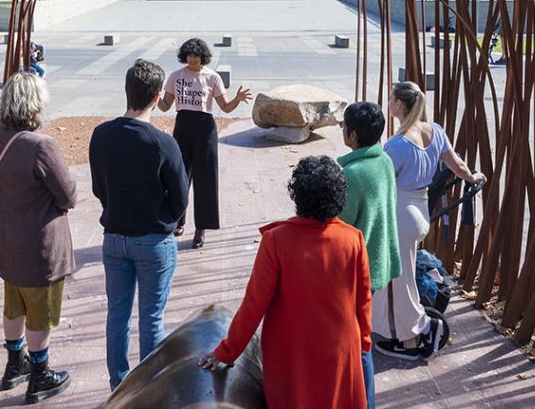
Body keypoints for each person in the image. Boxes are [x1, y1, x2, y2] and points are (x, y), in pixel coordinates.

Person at [198, 156, 372, 409]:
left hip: (291, 353)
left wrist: (226, 351)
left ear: (297, 196)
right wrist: (363, 343)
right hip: (340, 349)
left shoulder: (277, 240)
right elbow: (363, 300)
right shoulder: (353, 238)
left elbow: (254, 305)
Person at [90, 59, 189, 390]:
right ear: (159, 96)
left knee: (117, 314)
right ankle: (149, 388)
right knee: (151, 317)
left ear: (127, 91)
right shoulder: (162, 142)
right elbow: (180, 199)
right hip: (153, 239)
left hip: (114, 236)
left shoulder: (101, 134)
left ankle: (119, 384)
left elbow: (98, 187)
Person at [373, 81, 484, 360]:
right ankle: (387, 327)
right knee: (393, 275)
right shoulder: (435, 131)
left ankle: (411, 339)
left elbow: (380, 182)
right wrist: (472, 177)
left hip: (401, 213)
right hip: (419, 212)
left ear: (399, 105)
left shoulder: (397, 144)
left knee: (401, 279)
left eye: (391, 99)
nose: (389, 103)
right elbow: (456, 164)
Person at [0, 72, 75, 403]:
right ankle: (40, 375)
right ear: (36, 104)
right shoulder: (42, 145)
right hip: (40, 244)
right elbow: (67, 194)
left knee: (14, 304)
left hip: (8, 237)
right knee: (42, 310)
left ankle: (14, 365)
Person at [158, 38, 251, 249]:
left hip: (205, 128)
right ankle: (177, 220)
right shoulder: (176, 76)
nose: (192, 59)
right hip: (182, 126)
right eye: (189, 55)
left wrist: (237, 99)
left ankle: (202, 228)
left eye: (196, 55)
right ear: (184, 56)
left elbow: (225, 107)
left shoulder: (212, 77)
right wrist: (153, 97)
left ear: (203, 57)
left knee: (206, 179)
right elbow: (165, 106)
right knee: (178, 176)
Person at [337, 102, 401, 409]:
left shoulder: (352, 174)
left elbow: (337, 227)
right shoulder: (384, 160)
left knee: (359, 343)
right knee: (361, 337)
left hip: (355, 271)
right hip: (376, 262)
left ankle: (365, 402)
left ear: (352, 135)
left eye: (343, 126)